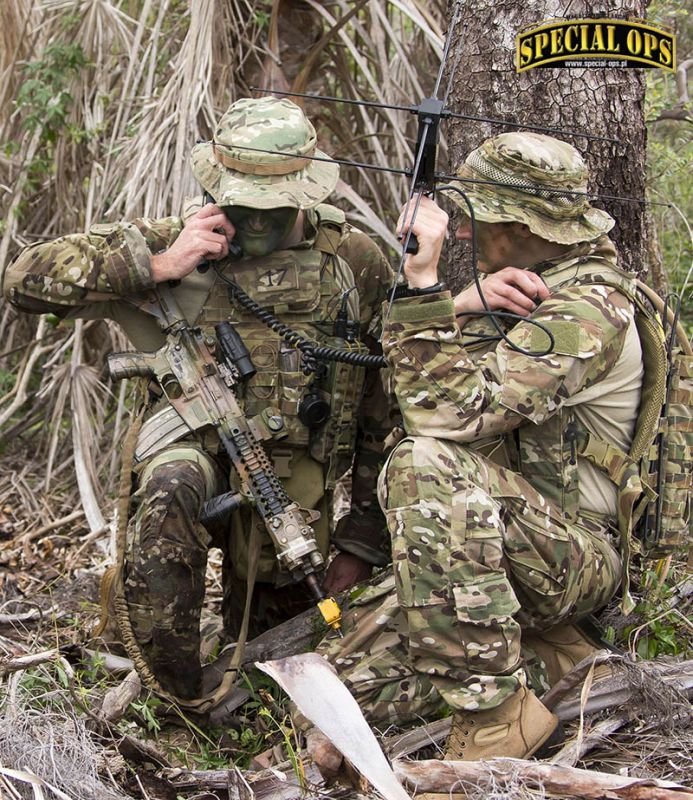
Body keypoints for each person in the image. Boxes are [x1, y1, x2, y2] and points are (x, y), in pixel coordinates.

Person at [3, 96, 395, 701]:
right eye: (243, 204)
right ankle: (175, 703)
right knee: (172, 488)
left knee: (277, 670)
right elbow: (25, 278)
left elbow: (381, 404)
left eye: (274, 207)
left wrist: (363, 535)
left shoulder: (354, 262)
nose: (257, 223)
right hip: (194, 458)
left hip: (290, 493)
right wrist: (159, 263)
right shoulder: (179, 242)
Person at [312, 131, 643, 762]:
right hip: (500, 551)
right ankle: (553, 652)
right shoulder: (529, 288)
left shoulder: (590, 309)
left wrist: (420, 282)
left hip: (576, 557)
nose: (463, 232)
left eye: (476, 217)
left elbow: (441, 418)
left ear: (520, 223)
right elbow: (407, 389)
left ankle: (496, 716)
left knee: (423, 464)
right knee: (338, 682)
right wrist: (456, 306)